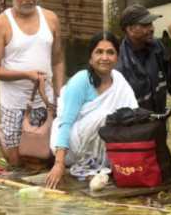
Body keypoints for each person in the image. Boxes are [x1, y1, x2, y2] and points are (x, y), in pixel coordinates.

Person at [0, 0, 65, 168]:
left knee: (42, 156)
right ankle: (0, 133)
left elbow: (58, 59)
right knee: (16, 163)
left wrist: (59, 92)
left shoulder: (51, 19)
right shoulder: (0, 24)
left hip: (44, 99)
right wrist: (26, 75)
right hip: (14, 102)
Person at [47, 32, 138, 189]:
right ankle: (87, 166)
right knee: (105, 116)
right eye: (99, 52)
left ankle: (104, 164)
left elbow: (134, 116)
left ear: (117, 58)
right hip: (71, 146)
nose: (105, 57)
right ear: (90, 58)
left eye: (110, 52)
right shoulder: (81, 81)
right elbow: (65, 123)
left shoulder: (120, 81)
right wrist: (59, 164)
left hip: (104, 147)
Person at [116, 4, 171, 113]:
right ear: (130, 30)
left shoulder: (158, 47)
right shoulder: (119, 65)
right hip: (135, 127)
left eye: (151, 24)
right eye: (145, 25)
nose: (152, 29)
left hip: (159, 122)